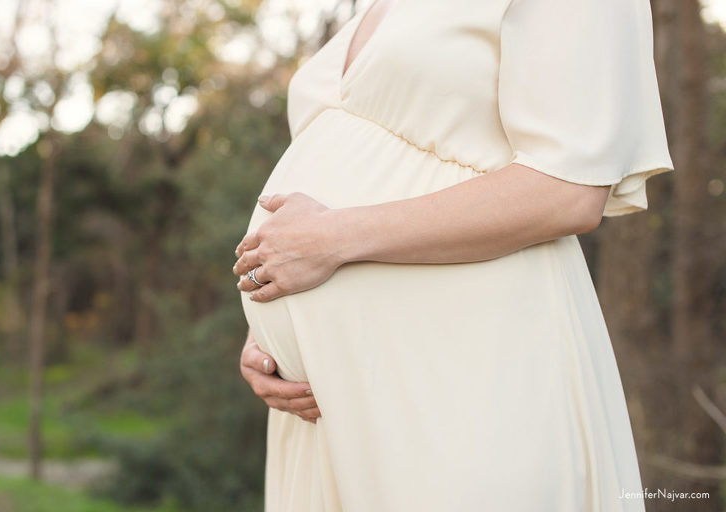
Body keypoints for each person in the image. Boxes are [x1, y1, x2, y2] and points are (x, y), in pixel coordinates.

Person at [234, 0, 674, 509]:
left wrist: (335, 238)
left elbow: (566, 193)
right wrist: (267, 327)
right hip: (322, 405)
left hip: (460, 370)